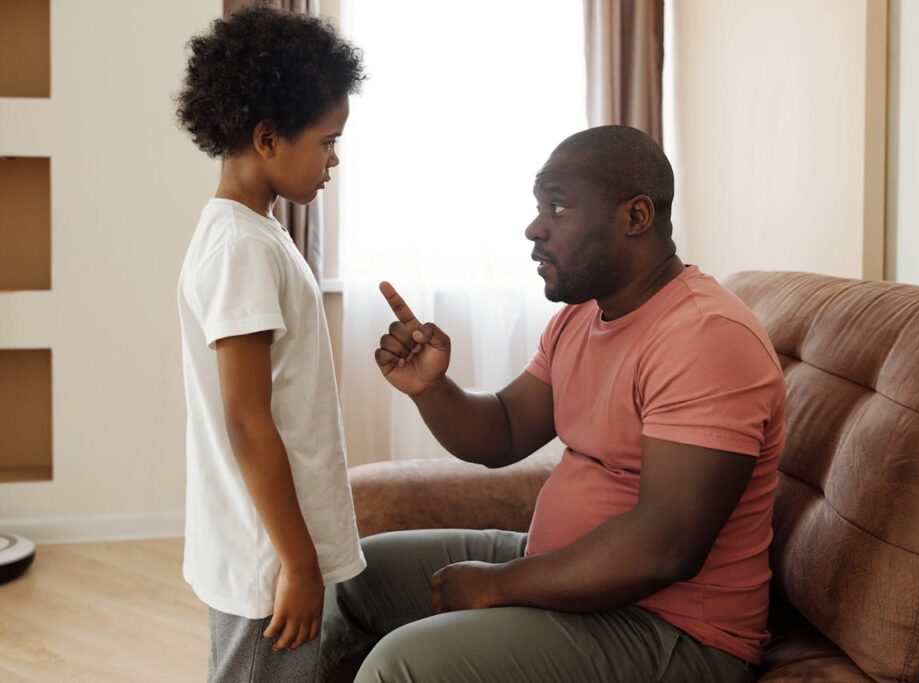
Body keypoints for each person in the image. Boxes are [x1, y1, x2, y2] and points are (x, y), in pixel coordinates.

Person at [318, 125, 786, 683]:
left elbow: (667, 546)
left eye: (558, 208)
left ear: (635, 217)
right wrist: (430, 388)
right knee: (353, 579)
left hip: (673, 631)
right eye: (538, 207)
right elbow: (505, 432)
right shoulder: (581, 316)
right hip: (570, 577)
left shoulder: (704, 337)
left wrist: (498, 583)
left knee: (405, 666)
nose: (534, 228)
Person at [175, 7, 366, 681]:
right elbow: (248, 419)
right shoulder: (240, 249)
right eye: (327, 140)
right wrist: (298, 562)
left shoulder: (256, 233)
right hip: (267, 556)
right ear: (265, 137)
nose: (335, 159)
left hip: (272, 544)